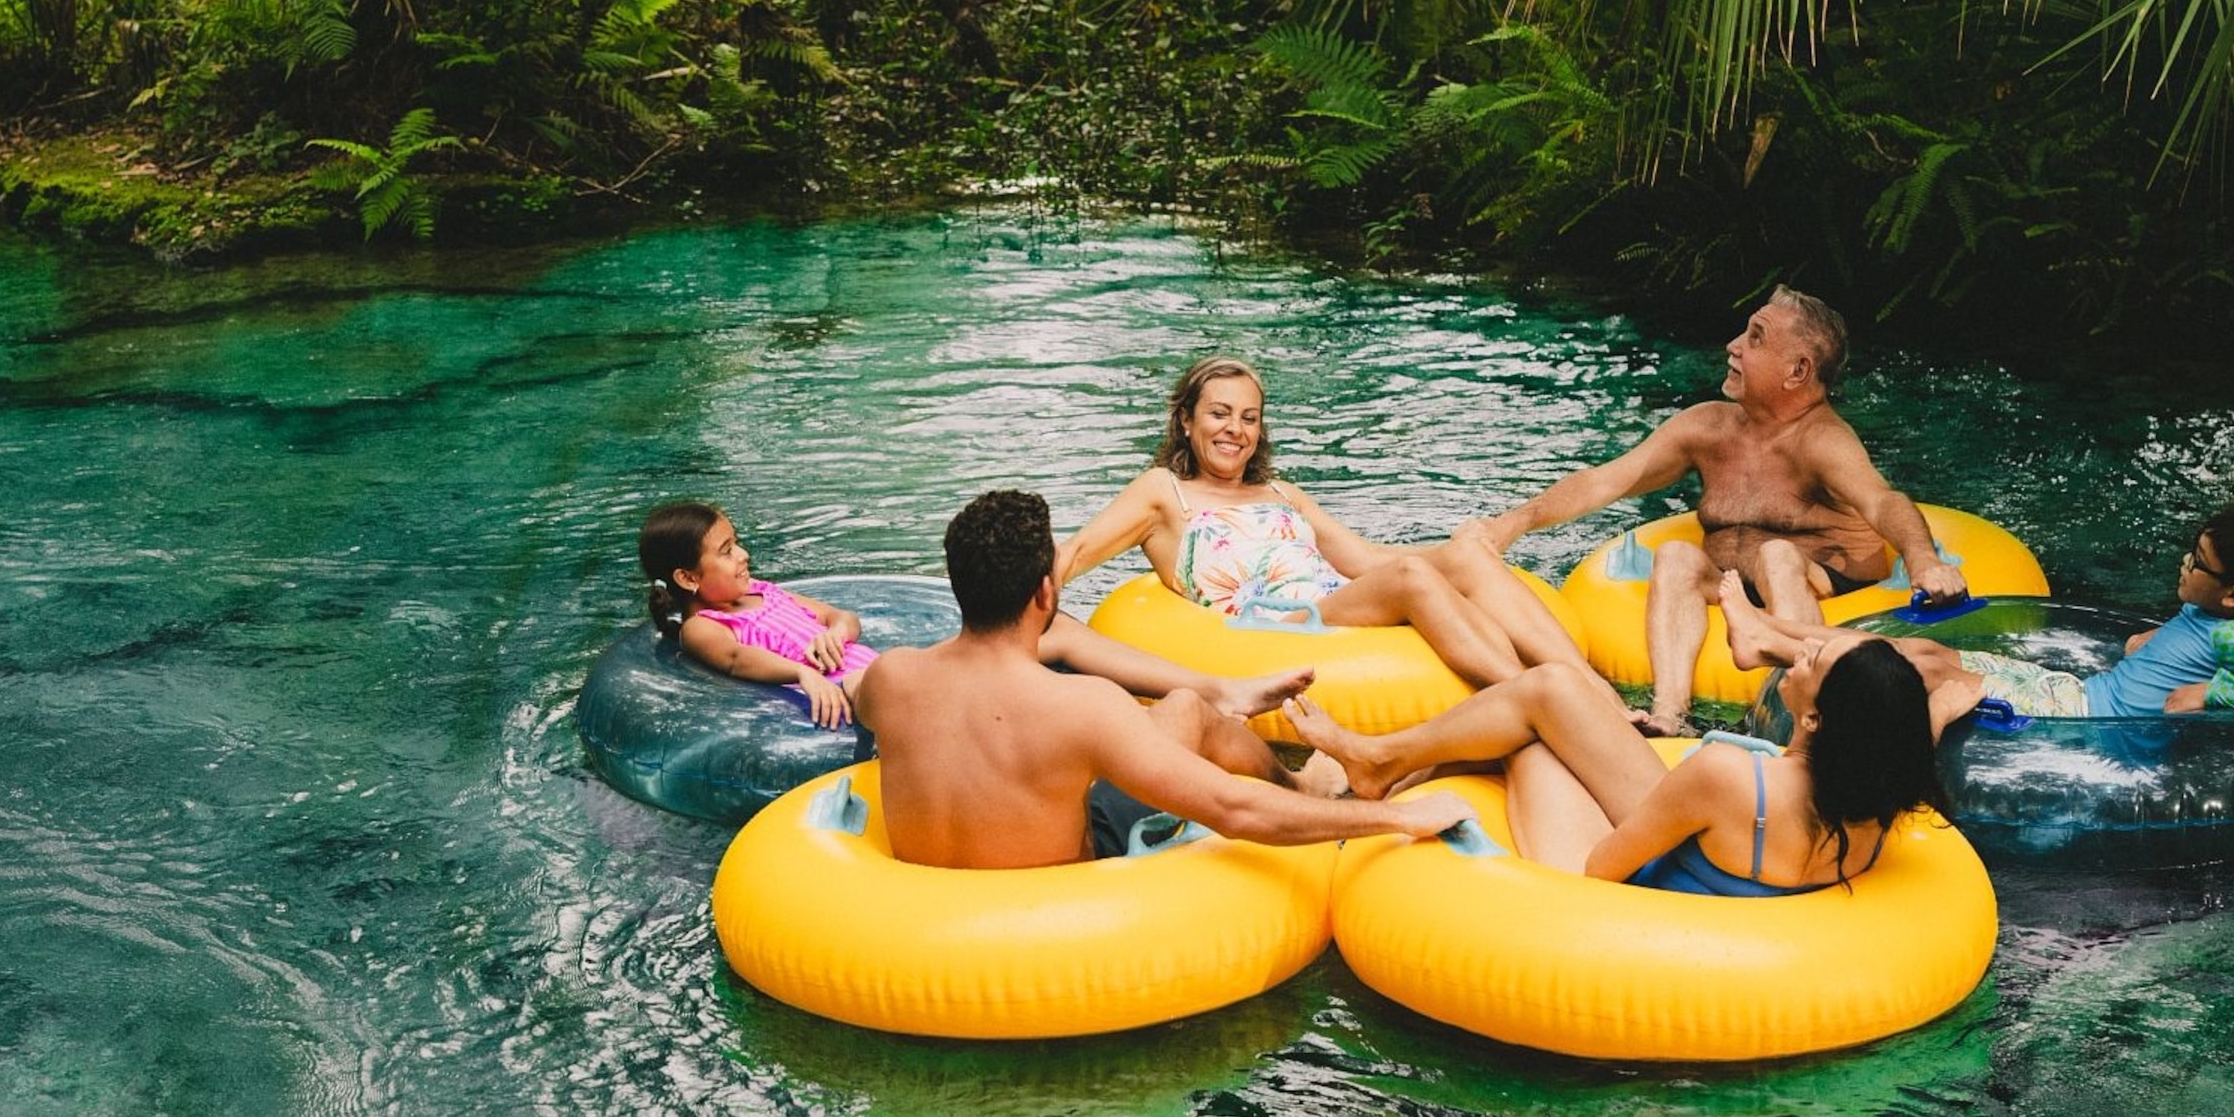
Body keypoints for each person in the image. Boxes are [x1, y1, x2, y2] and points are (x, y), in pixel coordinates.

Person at [853, 490, 1472, 870]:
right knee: (1188, 712)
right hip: (1056, 891)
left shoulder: (889, 679)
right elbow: (1234, 810)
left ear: (958, 587)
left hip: (925, 893)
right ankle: (1303, 785)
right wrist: (1400, 820)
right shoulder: (1082, 706)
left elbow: (867, 715)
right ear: (1045, 592)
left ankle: (1249, 732)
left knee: (1173, 708)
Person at [1462, 286, 1967, 737]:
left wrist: (1923, 560)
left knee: (1776, 555)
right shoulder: (1707, 428)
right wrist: (1513, 522)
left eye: (1755, 338)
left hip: (1821, 584)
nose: (1733, 346)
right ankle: (1668, 715)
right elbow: (1607, 479)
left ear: (1797, 371)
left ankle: (1795, 719)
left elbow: (1882, 501)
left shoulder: (1822, 441)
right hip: (1731, 585)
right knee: (1676, 556)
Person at [1052, 356, 1600, 692]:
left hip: (1334, 602)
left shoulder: (1280, 492)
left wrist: (1462, 550)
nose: (1235, 429)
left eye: (1249, 418)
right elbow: (1075, 554)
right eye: (1219, 413)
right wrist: (1015, 615)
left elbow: (1363, 559)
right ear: (1186, 420)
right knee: (1411, 576)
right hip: (1275, 625)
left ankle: (1595, 692)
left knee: (1464, 559)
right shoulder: (1163, 492)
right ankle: (1542, 696)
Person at [1285, 636, 1948, 895]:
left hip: (1610, 886)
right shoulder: (1887, 789)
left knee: (1530, 744)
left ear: (1816, 721)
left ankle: (1372, 772)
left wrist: (1581, 769)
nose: (1797, 656)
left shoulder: (1729, 776)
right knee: (1555, 690)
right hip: (1729, 853)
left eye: (1812, 662)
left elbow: (1605, 867)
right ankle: (1379, 763)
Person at [639, 498, 1321, 734]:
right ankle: (1170, 717)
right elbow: (736, 661)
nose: (743, 555)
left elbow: (843, 616)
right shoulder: (706, 626)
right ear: (688, 578)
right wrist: (803, 671)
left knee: (1054, 630)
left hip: (880, 672)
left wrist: (833, 632)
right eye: (725, 552)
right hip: (859, 692)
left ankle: (1215, 690)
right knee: (901, 675)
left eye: (737, 543)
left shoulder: (767, 592)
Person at [1711, 506, 2234, 728]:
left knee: (1921, 669)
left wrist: (2212, 692)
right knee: (1928, 652)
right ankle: (1767, 635)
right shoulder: (2221, 617)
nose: (2184, 565)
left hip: (2082, 718)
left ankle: (1772, 646)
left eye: (2197, 562)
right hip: (2074, 690)